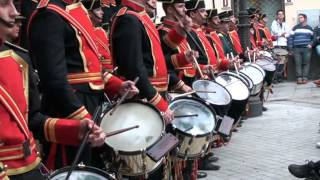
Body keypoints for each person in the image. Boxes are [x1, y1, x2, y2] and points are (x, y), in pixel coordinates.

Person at [28, 0, 139, 170]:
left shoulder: (78, 10)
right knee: (74, 170)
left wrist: (117, 85)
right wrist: (83, 119)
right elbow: (54, 80)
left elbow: (91, 67)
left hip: (92, 104)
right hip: (69, 108)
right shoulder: (48, 14)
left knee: (95, 168)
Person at [0, 0, 105, 179]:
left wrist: (75, 129)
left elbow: (32, 120)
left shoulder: (17, 60)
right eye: (3, 4)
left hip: (31, 169)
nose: (14, 12)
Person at [288, 13, 314, 84]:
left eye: (301, 17)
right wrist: (290, 48)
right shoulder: (295, 28)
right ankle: (299, 78)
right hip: (296, 49)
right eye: (299, 18)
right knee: (298, 63)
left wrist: (311, 44)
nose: (300, 19)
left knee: (306, 63)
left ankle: (305, 78)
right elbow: (290, 38)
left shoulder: (310, 28)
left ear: (305, 19)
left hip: (306, 49)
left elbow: (313, 38)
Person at [271, 9, 290, 82]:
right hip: (277, 44)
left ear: (284, 15)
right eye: (279, 14)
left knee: (282, 62)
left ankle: (279, 77)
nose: (280, 15)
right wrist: (282, 34)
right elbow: (276, 32)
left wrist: (283, 34)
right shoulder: (274, 23)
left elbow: (288, 33)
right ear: (277, 15)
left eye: (282, 14)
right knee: (277, 61)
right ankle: (274, 77)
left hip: (284, 44)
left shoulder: (285, 24)